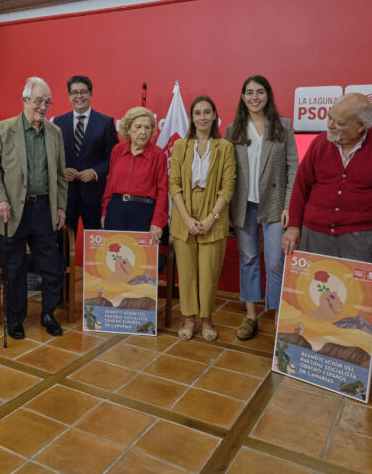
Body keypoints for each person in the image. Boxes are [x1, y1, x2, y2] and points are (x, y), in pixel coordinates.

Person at [0, 76, 68, 339]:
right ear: (25, 100)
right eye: (38, 101)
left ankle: (48, 314)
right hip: (12, 210)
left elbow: (60, 175)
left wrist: (60, 207)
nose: (43, 107)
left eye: (47, 102)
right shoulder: (3, 130)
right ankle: (15, 318)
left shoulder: (55, 133)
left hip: (44, 209)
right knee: (14, 267)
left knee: (50, 265)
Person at [282, 93, 372, 274]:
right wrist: (293, 226)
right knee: (311, 289)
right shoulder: (319, 144)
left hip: (360, 239)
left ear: (361, 126)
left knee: (355, 290)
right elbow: (300, 187)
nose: (330, 125)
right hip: (314, 234)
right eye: (330, 118)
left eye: (339, 122)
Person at [226, 75, 298, 341]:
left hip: (275, 205)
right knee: (248, 259)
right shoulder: (233, 130)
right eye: (249, 92)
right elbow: (228, 172)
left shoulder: (283, 126)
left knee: (276, 261)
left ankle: (278, 316)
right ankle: (251, 315)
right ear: (242, 97)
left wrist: (289, 205)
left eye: (259, 92)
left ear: (268, 95)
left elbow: (294, 168)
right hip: (244, 206)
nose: (254, 97)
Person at [169, 96, 236, 342]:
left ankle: (207, 319)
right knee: (186, 273)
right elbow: (174, 183)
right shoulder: (180, 146)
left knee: (208, 273)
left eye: (207, 112)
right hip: (184, 214)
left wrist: (211, 218)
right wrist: (186, 218)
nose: (202, 117)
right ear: (191, 117)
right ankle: (189, 319)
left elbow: (228, 186)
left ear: (215, 115)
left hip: (213, 215)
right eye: (197, 113)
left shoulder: (225, 147)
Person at [52, 75, 118, 234]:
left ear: (91, 94)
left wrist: (94, 172)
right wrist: (62, 170)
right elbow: (51, 156)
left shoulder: (105, 122)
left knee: (96, 241)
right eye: (74, 92)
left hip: (94, 195)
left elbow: (114, 158)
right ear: (69, 96)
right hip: (65, 195)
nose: (79, 96)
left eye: (83, 92)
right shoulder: (57, 123)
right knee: (64, 241)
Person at [100, 106, 168, 239]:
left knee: (140, 252)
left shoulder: (158, 154)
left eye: (147, 128)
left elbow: (162, 190)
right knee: (115, 250)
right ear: (128, 128)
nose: (143, 132)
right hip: (115, 210)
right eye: (138, 127)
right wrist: (104, 212)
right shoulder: (117, 150)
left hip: (144, 213)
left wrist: (157, 222)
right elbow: (110, 184)